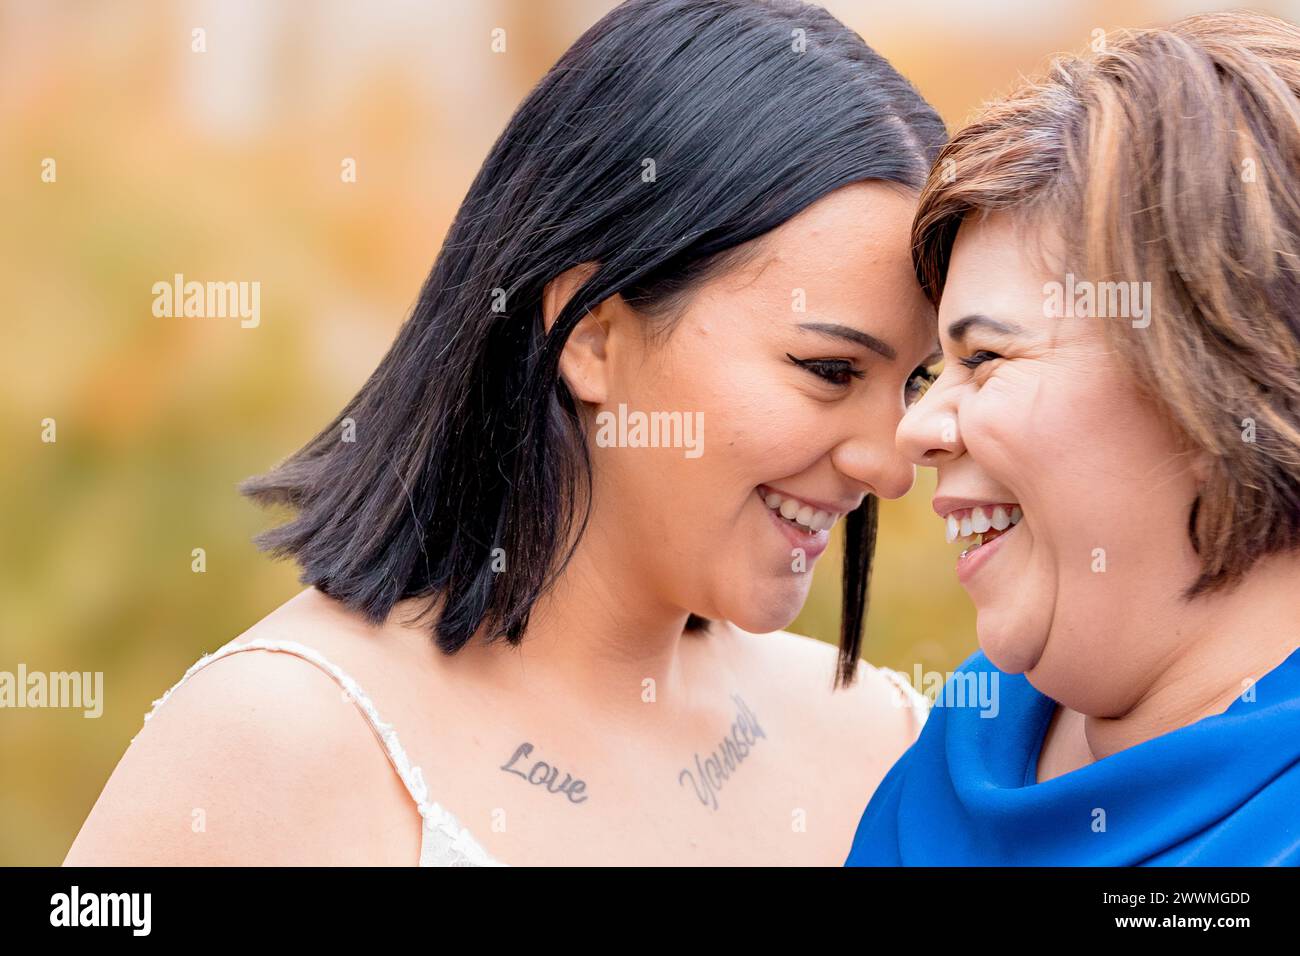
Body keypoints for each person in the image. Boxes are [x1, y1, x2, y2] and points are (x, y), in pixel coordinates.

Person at [65, 0, 943, 867]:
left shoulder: (887, 746)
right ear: (593, 334)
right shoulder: (279, 743)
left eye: (915, 382)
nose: (890, 464)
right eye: (830, 372)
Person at [847, 11, 1300, 866]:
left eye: (983, 357)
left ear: (1216, 374)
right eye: (930, 373)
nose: (914, 430)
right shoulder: (959, 744)